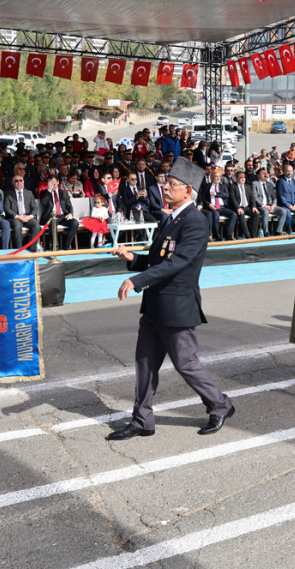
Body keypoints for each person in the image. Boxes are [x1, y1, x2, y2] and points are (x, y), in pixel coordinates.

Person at [107, 157, 234, 440]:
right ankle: (142, 420)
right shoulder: (171, 218)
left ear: (188, 190)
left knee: (186, 363)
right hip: (155, 305)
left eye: (172, 184)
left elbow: (177, 263)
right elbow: (158, 260)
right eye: (166, 182)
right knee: (145, 365)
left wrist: (136, 280)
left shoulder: (196, 221)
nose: (165, 187)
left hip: (177, 306)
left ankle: (220, 405)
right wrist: (132, 258)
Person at [40, 176, 79, 250]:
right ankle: (56, 246)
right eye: (50, 184)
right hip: (50, 216)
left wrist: (70, 214)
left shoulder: (64, 193)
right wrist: (49, 190)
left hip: (63, 216)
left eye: (54, 184)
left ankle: (67, 246)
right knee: (53, 221)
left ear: (58, 182)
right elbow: (43, 203)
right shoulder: (44, 193)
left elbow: (69, 206)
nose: (52, 186)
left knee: (75, 223)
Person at [4, 175, 40, 251]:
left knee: (37, 226)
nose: (19, 182)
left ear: (23, 182)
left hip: (27, 217)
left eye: (20, 180)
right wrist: (17, 216)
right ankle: (19, 250)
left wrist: (30, 216)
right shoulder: (8, 194)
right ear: (12, 183)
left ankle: (32, 249)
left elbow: (34, 208)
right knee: (17, 227)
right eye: (16, 181)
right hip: (15, 218)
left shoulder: (29, 193)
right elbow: (7, 208)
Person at [199, 169, 236, 240]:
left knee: (233, 214)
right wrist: (209, 204)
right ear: (212, 178)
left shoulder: (223, 186)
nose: (218, 178)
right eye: (216, 176)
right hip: (212, 207)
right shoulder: (207, 186)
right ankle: (217, 235)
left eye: (219, 176)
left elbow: (226, 195)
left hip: (222, 207)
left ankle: (229, 235)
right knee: (216, 215)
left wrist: (215, 193)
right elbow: (203, 197)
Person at [252, 167, 288, 235]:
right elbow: (255, 197)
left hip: (271, 206)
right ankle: (266, 232)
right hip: (260, 206)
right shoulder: (254, 184)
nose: (265, 175)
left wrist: (273, 206)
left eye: (266, 173)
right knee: (266, 212)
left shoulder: (270, 184)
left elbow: (274, 198)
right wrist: (264, 206)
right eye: (263, 173)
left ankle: (278, 231)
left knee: (283, 211)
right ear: (258, 176)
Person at [226, 170, 261, 239]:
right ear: (236, 178)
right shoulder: (233, 186)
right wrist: (238, 208)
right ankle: (248, 236)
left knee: (256, 214)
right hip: (238, 207)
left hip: (247, 207)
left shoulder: (248, 186)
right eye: (241, 177)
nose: (243, 179)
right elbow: (232, 198)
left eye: (244, 177)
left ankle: (253, 235)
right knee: (241, 215)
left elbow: (252, 198)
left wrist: (254, 206)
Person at [276, 164, 295, 232]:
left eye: (291, 171)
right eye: (288, 171)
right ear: (284, 171)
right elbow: (281, 196)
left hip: (294, 204)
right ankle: (289, 229)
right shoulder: (280, 181)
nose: (290, 173)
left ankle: (287, 223)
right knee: (288, 214)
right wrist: (289, 206)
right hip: (284, 205)